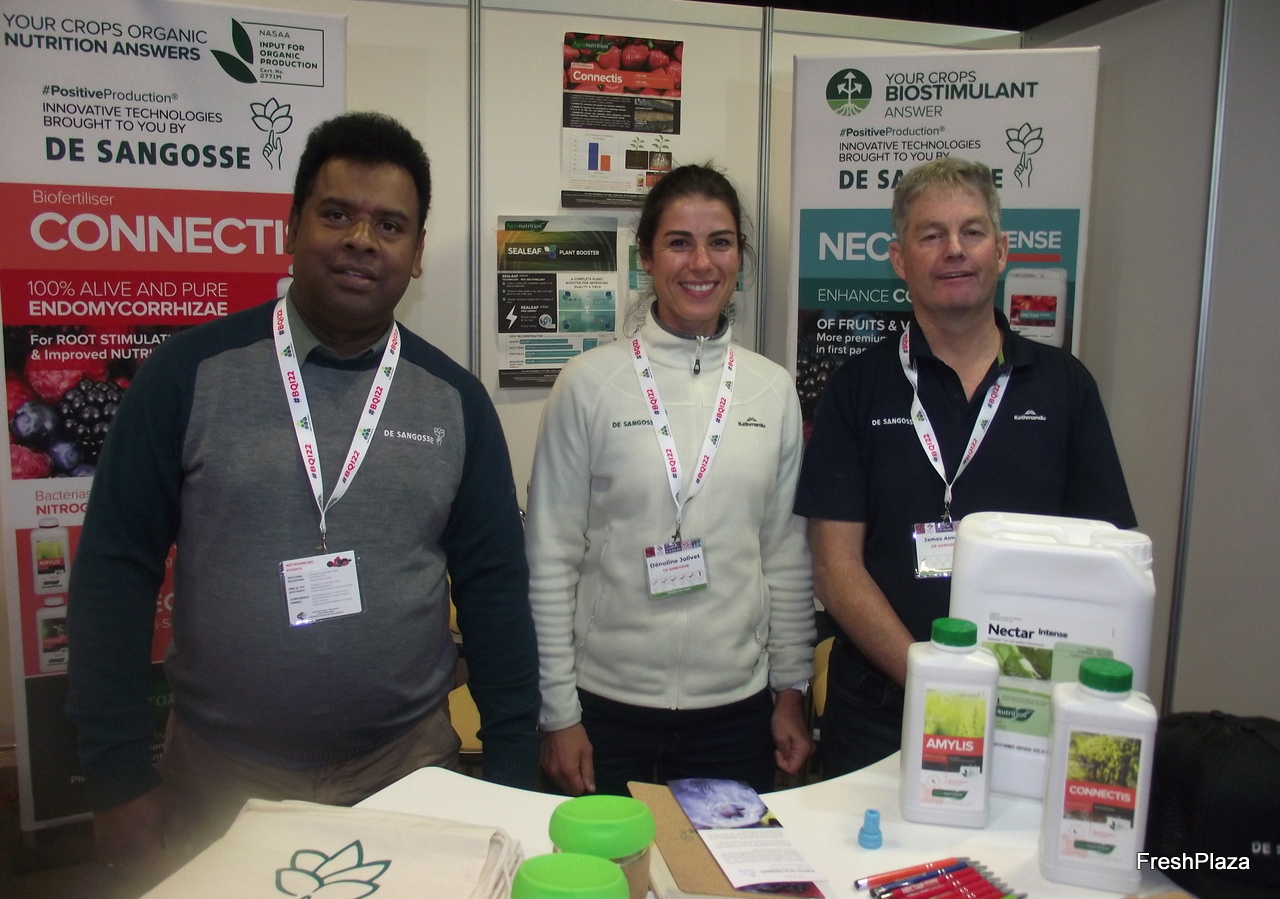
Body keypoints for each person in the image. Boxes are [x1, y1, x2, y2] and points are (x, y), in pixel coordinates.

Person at [66, 111, 540, 879]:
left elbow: (495, 591)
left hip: (408, 772)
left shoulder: (455, 401)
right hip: (221, 777)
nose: (362, 240)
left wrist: (513, 766)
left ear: (417, 254)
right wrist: (117, 776)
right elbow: (115, 572)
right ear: (291, 227)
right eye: (337, 214)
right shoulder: (189, 375)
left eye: (390, 225)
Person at [794, 157, 1136, 777]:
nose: (955, 249)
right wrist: (936, 682)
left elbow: (1106, 562)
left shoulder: (1064, 387)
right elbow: (835, 568)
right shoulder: (858, 388)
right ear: (900, 260)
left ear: (1000, 251)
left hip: (1027, 713)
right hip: (880, 713)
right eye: (932, 235)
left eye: (972, 232)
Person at [526, 164, 816, 798]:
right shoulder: (589, 384)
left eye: (720, 242)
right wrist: (558, 712)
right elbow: (549, 558)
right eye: (679, 242)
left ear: (739, 256)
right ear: (647, 258)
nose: (701, 263)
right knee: (606, 862)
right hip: (603, 708)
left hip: (735, 711)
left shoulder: (771, 390)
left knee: (717, 864)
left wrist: (792, 688)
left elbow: (785, 556)